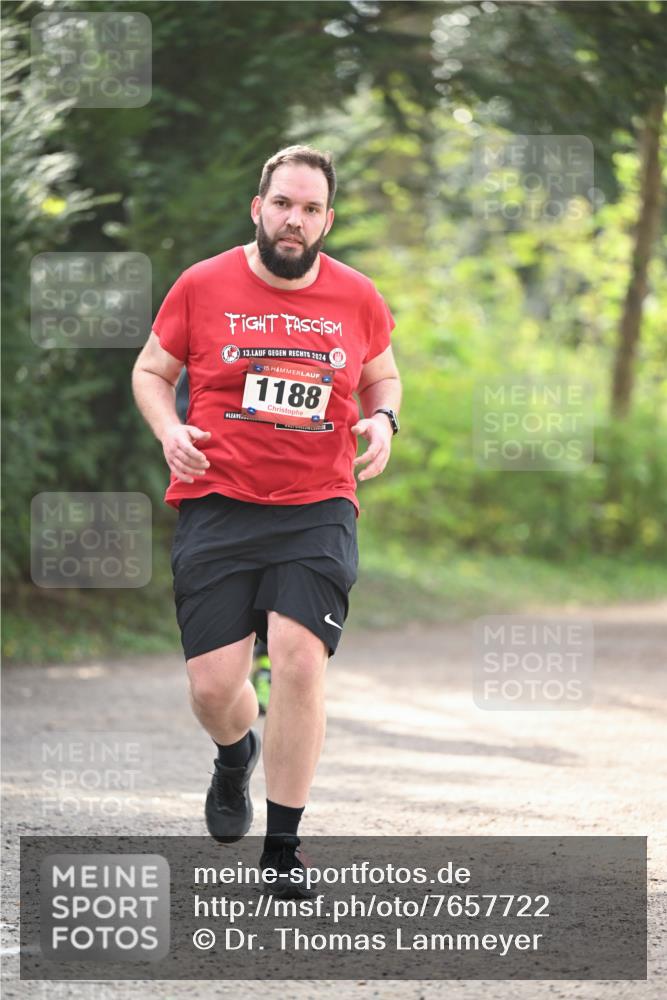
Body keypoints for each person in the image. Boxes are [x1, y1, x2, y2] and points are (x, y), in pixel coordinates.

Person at [132, 145, 401, 897]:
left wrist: (382, 420)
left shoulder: (356, 296)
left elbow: (381, 371)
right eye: (283, 203)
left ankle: (282, 848)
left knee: (299, 658)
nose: (295, 219)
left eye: (310, 208)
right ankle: (231, 755)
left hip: (316, 505)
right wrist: (168, 431)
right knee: (215, 687)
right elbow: (152, 370)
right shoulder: (202, 283)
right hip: (217, 500)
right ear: (259, 207)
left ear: (327, 220)